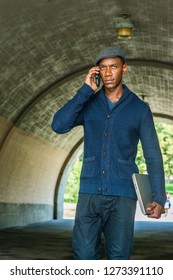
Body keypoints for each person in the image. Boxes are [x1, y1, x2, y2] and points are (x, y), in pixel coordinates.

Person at [51, 46, 167, 260]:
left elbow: (152, 154)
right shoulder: (89, 104)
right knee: (84, 258)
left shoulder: (140, 109)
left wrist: (159, 197)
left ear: (124, 68)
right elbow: (58, 125)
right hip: (89, 195)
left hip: (123, 197)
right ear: (97, 72)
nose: (108, 73)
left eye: (113, 67)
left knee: (119, 259)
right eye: (103, 68)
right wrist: (85, 91)